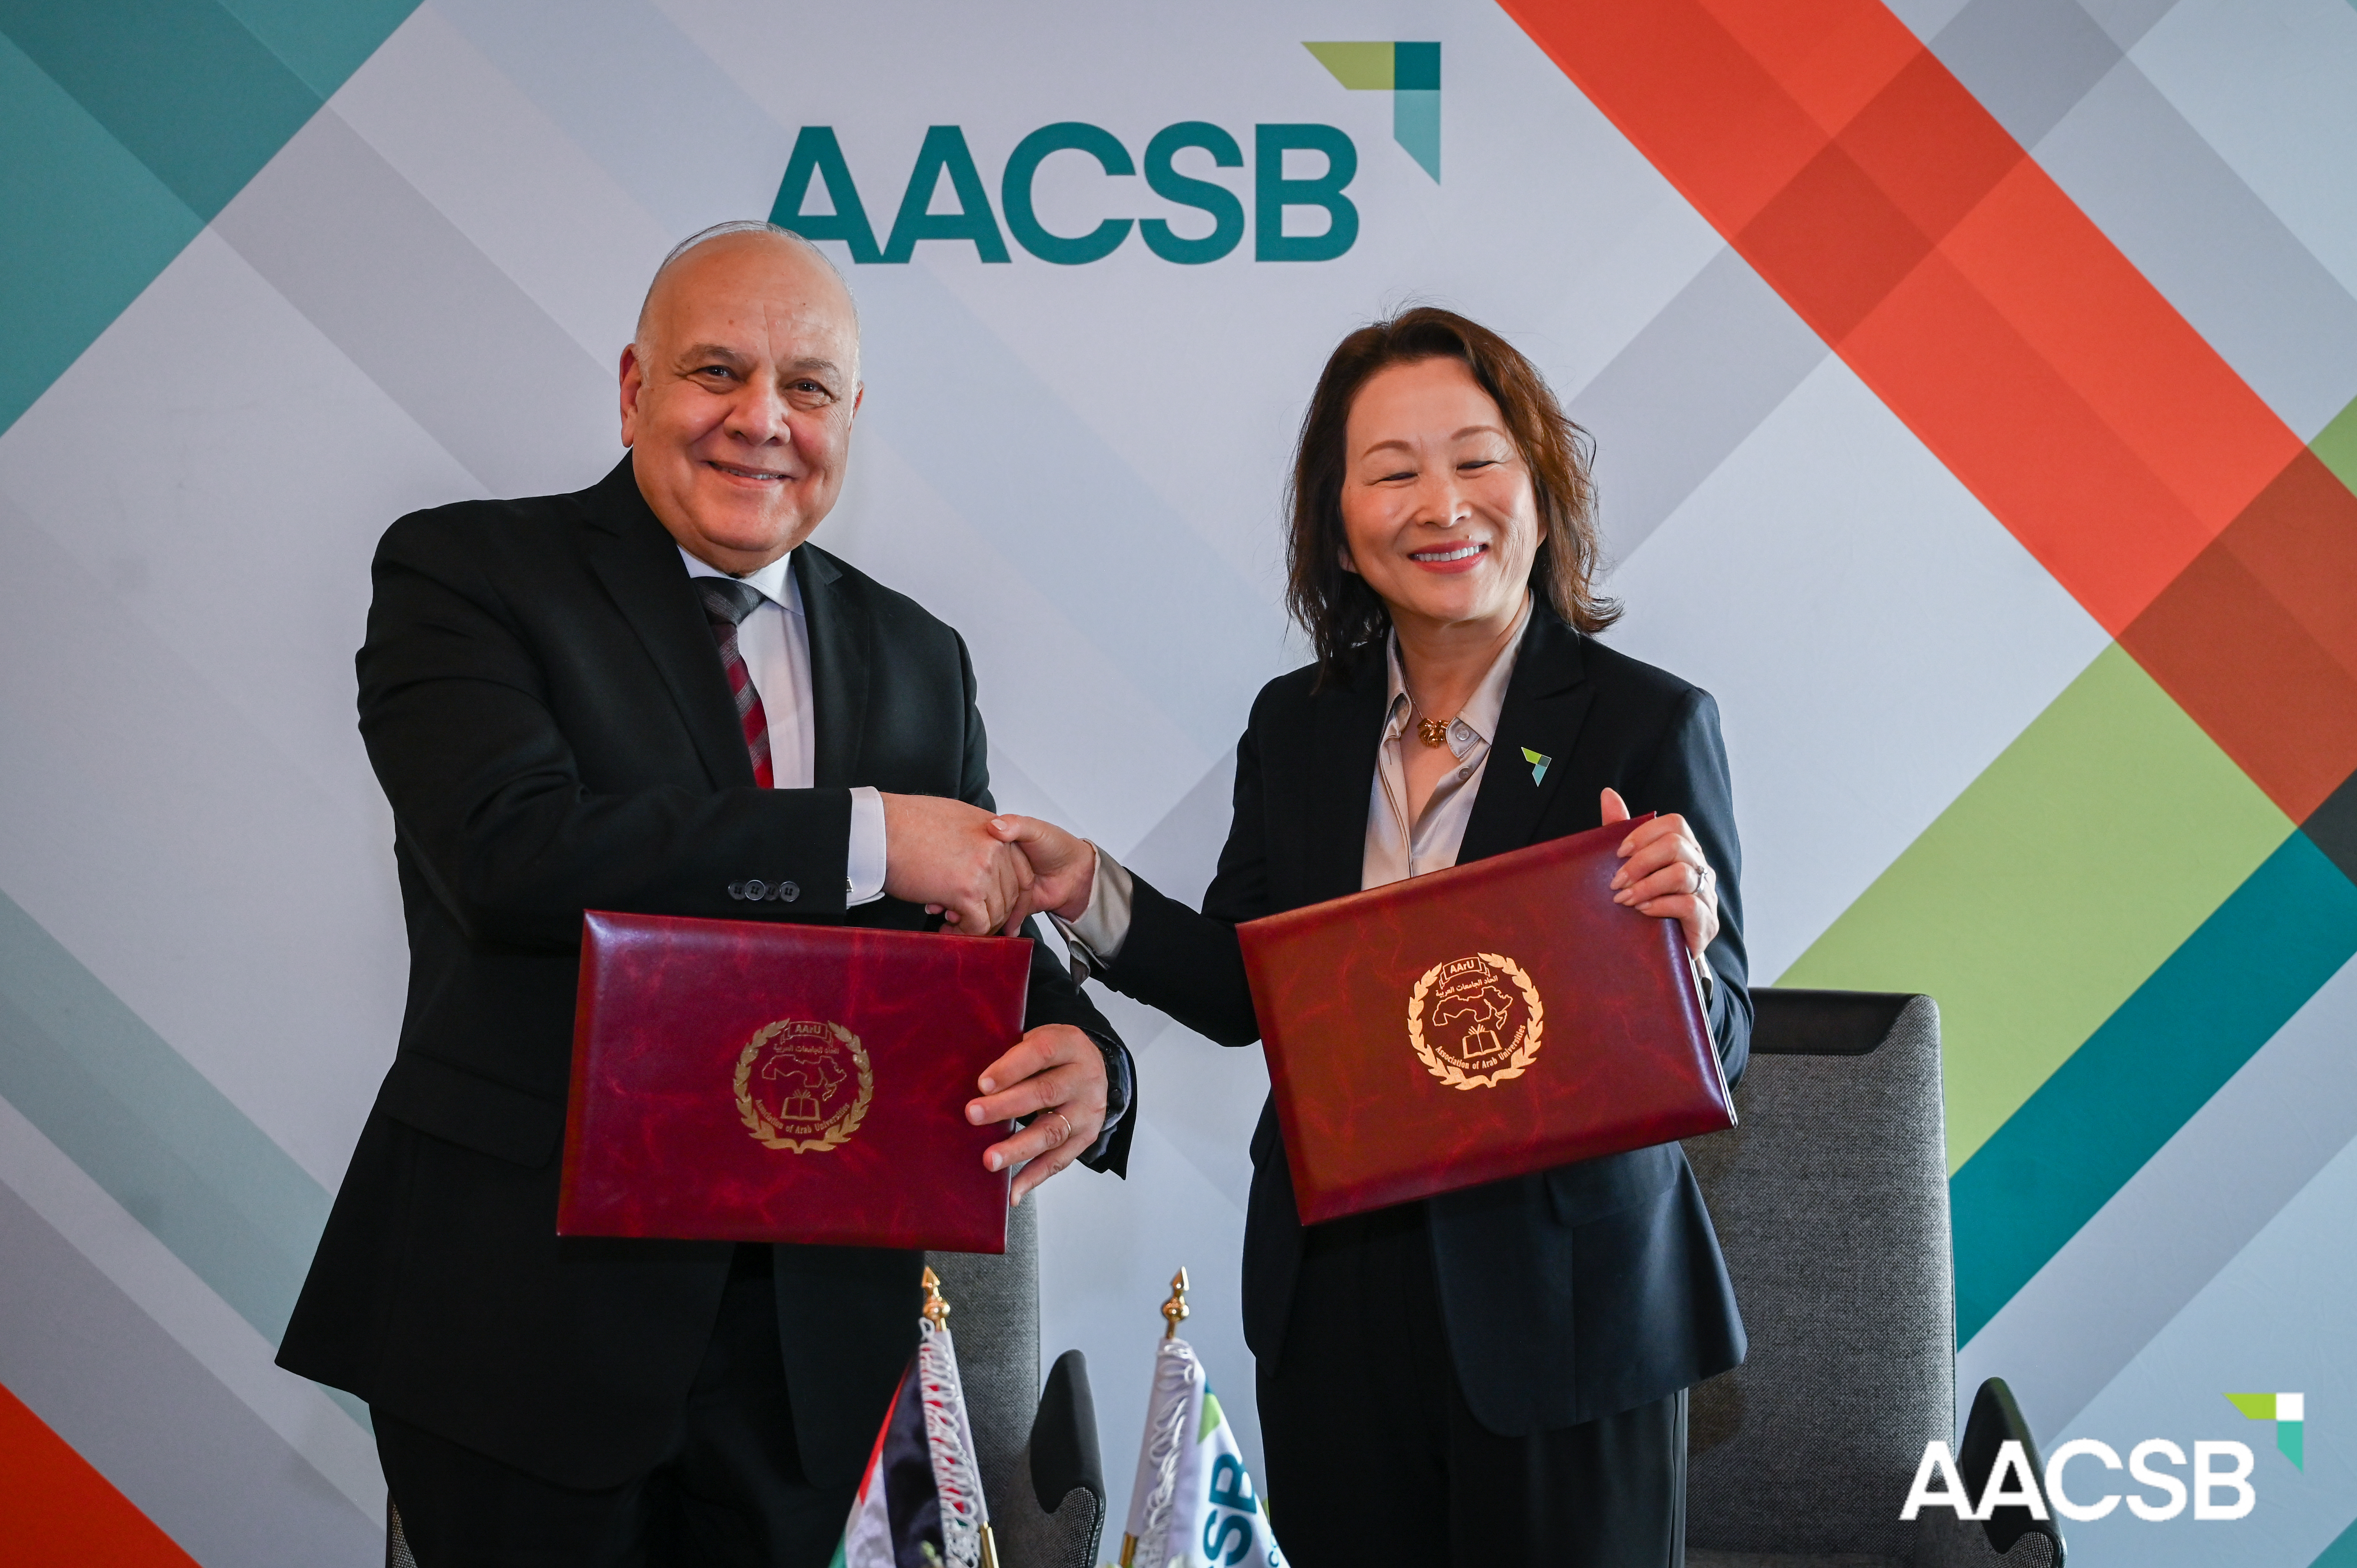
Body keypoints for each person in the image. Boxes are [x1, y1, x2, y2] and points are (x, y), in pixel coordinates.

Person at [277, 221, 1133, 1568]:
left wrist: (1094, 1057)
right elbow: (516, 857)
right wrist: (863, 839)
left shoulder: (920, 654)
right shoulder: (467, 576)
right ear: (632, 390)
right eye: (715, 372)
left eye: (806, 387)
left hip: (815, 1359)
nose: (760, 421)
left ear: (853, 416)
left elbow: (972, 935)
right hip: (527, 1326)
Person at [994, 308, 1747, 1566]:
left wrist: (1686, 944)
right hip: (1337, 1290)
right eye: (1393, 472)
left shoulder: (1646, 722)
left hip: (1563, 1305)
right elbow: (1254, 986)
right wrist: (1090, 891)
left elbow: (1721, 1043)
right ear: (1339, 526)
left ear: (1543, 488)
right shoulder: (1300, 725)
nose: (1442, 504)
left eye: (1477, 458)